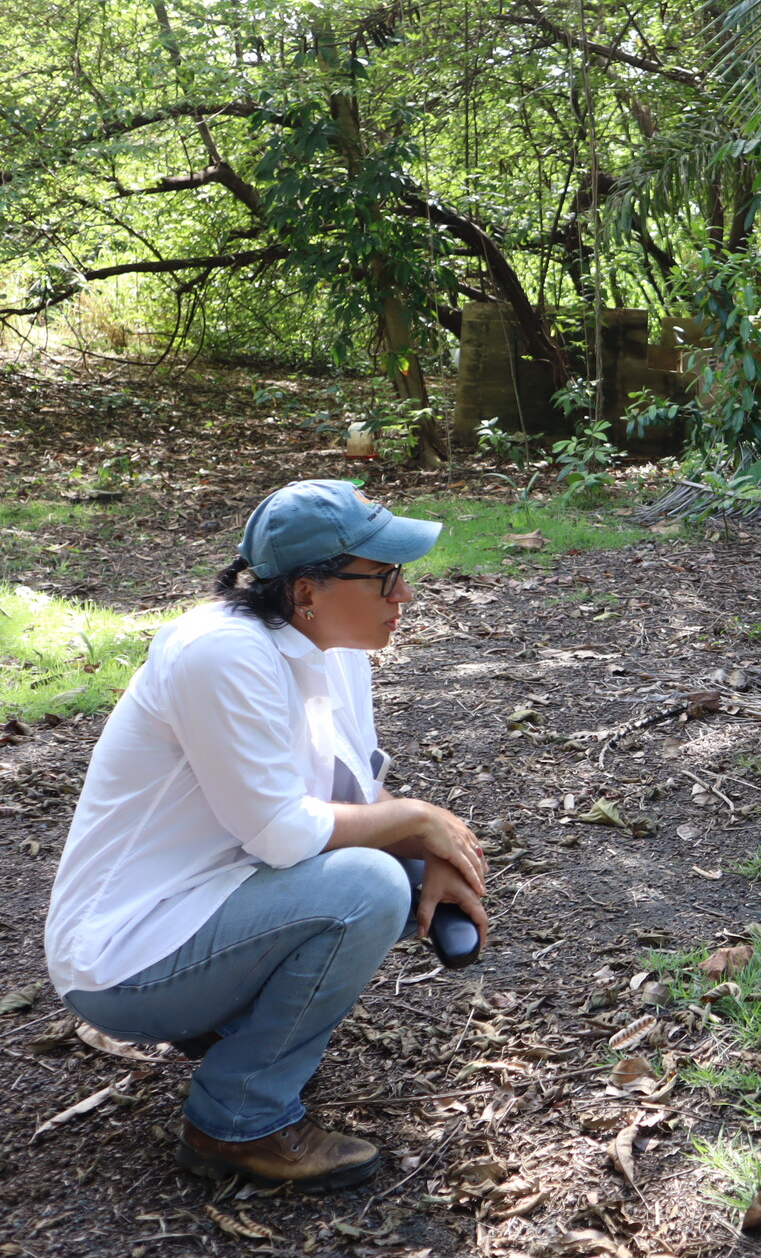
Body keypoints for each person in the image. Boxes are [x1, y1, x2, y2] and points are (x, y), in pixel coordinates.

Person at [43, 479, 489, 1191]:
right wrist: (415, 820)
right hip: (125, 958)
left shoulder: (332, 645)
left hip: (216, 896)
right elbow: (286, 835)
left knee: (395, 875)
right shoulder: (219, 654)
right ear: (307, 588)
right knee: (368, 887)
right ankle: (237, 1117)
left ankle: (227, 1024)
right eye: (386, 578)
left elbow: (352, 799)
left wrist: (431, 847)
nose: (403, 596)